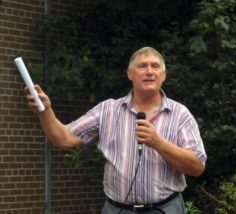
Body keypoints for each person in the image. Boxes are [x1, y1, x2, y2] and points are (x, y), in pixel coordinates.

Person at [25, 47, 207, 214]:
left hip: (165, 209)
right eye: (142, 66)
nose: (150, 72)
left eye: (155, 66)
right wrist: (45, 111)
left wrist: (159, 143)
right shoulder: (108, 110)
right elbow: (64, 139)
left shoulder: (180, 114)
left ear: (163, 75)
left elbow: (197, 166)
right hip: (116, 209)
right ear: (130, 74)